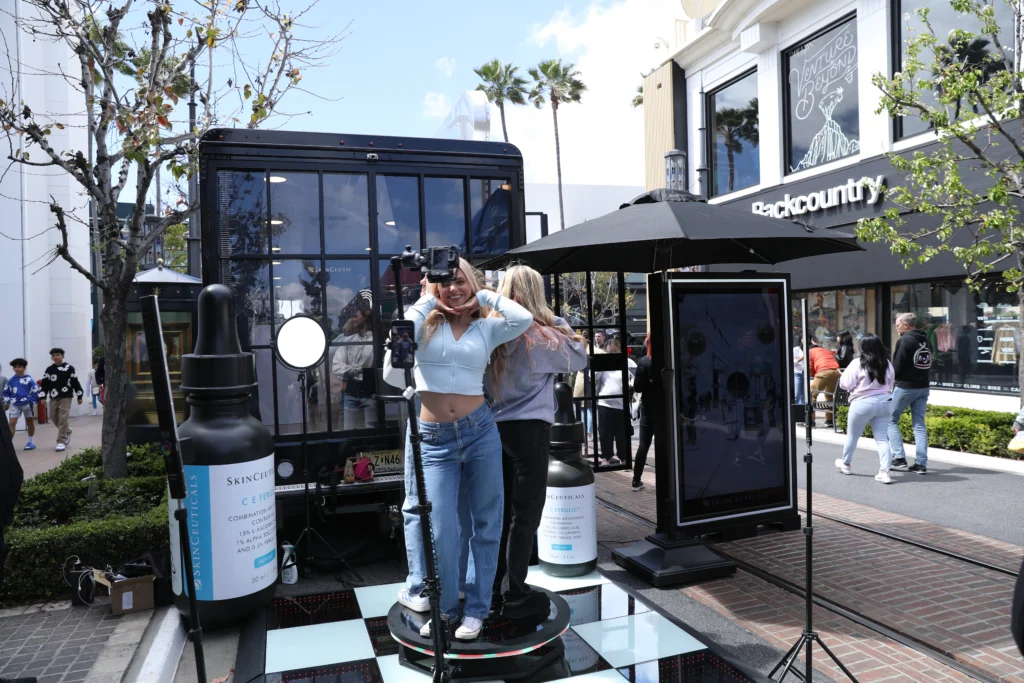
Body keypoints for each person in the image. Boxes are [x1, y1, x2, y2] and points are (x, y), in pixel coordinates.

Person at [400, 258, 531, 641]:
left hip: (479, 432)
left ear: (472, 283)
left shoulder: (487, 328)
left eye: (460, 281)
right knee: (441, 528)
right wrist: (429, 298)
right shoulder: (424, 325)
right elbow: (401, 333)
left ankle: (476, 609)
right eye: (446, 281)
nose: (453, 288)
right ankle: (444, 608)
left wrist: (484, 297)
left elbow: (523, 319)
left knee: (486, 524)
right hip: (434, 440)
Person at [487, 265, 588, 619]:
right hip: (529, 433)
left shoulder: (491, 331)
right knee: (525, 515)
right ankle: (515, 592)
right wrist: (552, 317)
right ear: (534, 293)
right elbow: (580, 357)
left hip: (492, 432)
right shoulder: (539, 336)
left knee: (497, 516)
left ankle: (491, 589)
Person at [834, 334, 895, 483]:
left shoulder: (857, 363)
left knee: (853, 435)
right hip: (885, 401)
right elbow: (891, 383)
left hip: (862, 402)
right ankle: (884, 472)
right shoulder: (887, 363)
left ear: (863, 347)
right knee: (882, 438)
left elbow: (845, 384)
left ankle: (846, 464)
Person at [889, 312, 932, 474]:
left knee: (890, 419)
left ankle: (899, 458)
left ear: (906, 325)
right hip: (923, 386)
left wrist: (890, 381)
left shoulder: (905, 340)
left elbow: (897, 366)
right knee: (919, 424)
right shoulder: (926, 340)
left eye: (898, 325)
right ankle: (921, 464)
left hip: (906, 387)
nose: (896, 328)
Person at [331, 297, 377, 430]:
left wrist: (350, 370)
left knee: (371, 430)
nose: (353, 319)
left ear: (365, 318)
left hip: (369, 392)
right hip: (351, 392)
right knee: (348, 430)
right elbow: (336, 366)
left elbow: (373, 367)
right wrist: (359, 370)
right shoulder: (349, 340)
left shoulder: (375, 340)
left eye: (356, 316)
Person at [594, 335, 636, 465]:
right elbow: (593, 377)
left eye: (615, 351)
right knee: (605, 434)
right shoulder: (603, 362)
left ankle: (624, 457)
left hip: (621, 405)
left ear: (619, 350)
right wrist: (600, 364)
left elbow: (635, 377)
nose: (612, 353)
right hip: (605, 403)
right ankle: (606, 457)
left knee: (622, 434)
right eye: (610, 351)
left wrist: (630, 385)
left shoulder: (628, 362)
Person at [631, 336, 662, 492]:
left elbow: (637, 387)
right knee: (665, 444)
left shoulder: (643, 361)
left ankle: (636, 480)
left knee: (643, 445)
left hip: (648, 407)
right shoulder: (668, 359)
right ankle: (666, 481)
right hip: (664, 407)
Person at [40, 348, 83, 452]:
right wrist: (42, 396)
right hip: (54, 396)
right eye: (53, 355)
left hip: (66, 396)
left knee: (63, 418)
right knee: (53, 416)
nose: (56, 357)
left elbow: (75, 382)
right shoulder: (49, 370)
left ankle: (61, 441)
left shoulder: (69, 368)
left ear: (63, 356)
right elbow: (45, 384)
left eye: (58, 355)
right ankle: (67, 430)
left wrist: (79, 396)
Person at [4, 359, 40, 451]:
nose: (17, 369)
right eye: (15, 367)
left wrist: (32, 400)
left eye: (19, 367)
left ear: (24, 368)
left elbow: (36, 389)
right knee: (12, 422)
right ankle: (9, 444)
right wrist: (8, 401)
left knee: (29, 422)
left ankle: (31, 442)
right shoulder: (11, 380)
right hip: (15, 404)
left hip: (27, 403)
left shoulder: (29, 379)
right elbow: (6, 392)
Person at [807, 336, 841, 428]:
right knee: (829, 395)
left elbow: (810, 366)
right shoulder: (825, 350)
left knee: (812, 395)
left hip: (823, 371)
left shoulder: (810, 351)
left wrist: (813, 375)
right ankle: (829, 420)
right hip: (836, 371)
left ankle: (810, 421)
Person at [793, 338, 805, 408]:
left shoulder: (809, 349)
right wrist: (800, 359)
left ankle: (802, 410)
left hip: (805, 373)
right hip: (797, 373)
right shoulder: (796, 349)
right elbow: (792, 362)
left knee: (803, 394)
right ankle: (795, 409)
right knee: (796, 393)